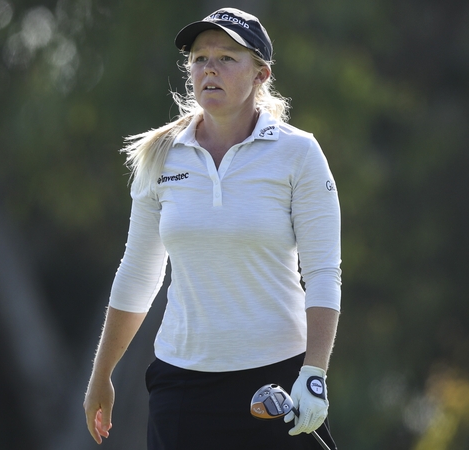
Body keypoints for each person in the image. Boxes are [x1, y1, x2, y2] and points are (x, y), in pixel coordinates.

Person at [83, 7, 341, 450]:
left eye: (226, 58)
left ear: (261, 74)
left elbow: (322, 274)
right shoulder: (160, 155)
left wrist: (313, 374)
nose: (210, 69)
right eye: (200, 58)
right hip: (183, 387)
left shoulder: (299, 154)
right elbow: (139, 273)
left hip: (277, 382)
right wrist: (101, 373)